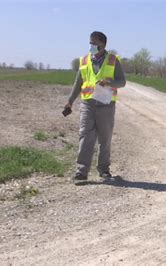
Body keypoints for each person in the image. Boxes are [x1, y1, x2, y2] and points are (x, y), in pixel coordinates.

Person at [64, 31, 126, 181]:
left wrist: (109, 82)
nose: (91, 46)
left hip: (106, 104)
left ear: (103, 44)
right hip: (88, 103)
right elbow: (78, 83)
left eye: (94, 43)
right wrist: (70, 101)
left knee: (105, 138)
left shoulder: (113, 60)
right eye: (90, 43)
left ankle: (104, 170)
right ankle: (81, 171)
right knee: (85, 135)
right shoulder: (84, 60)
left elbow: (122, 82)